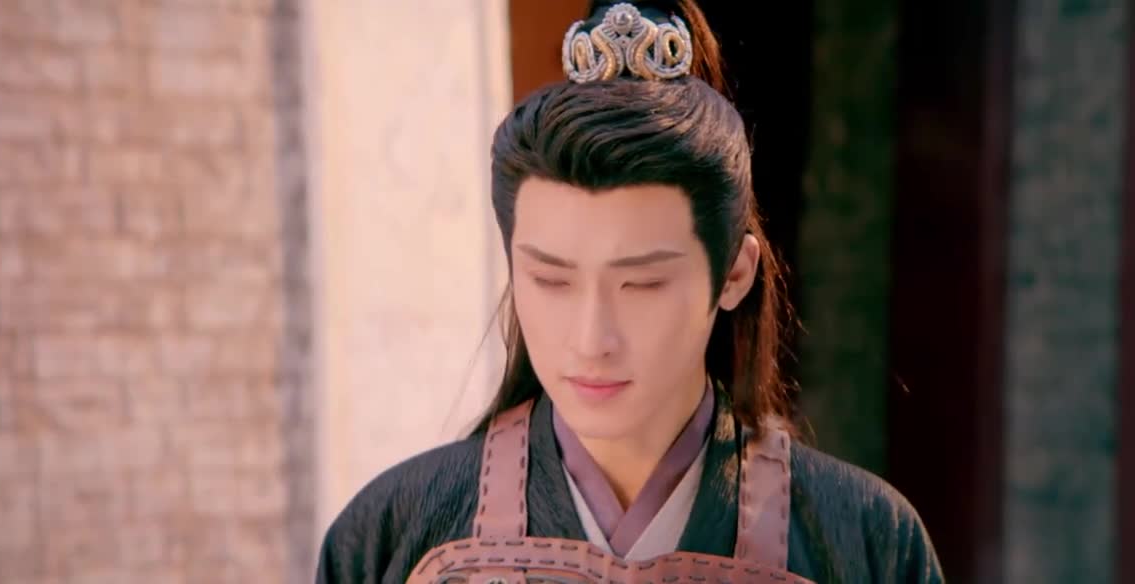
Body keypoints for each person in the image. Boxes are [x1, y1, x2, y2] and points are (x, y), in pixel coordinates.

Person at [316, 1, 944, 582]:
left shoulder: (869, 541)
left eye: (642, 283)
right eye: (551, 280)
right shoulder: (392, 535)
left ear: (733, 275)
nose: (591, 340)